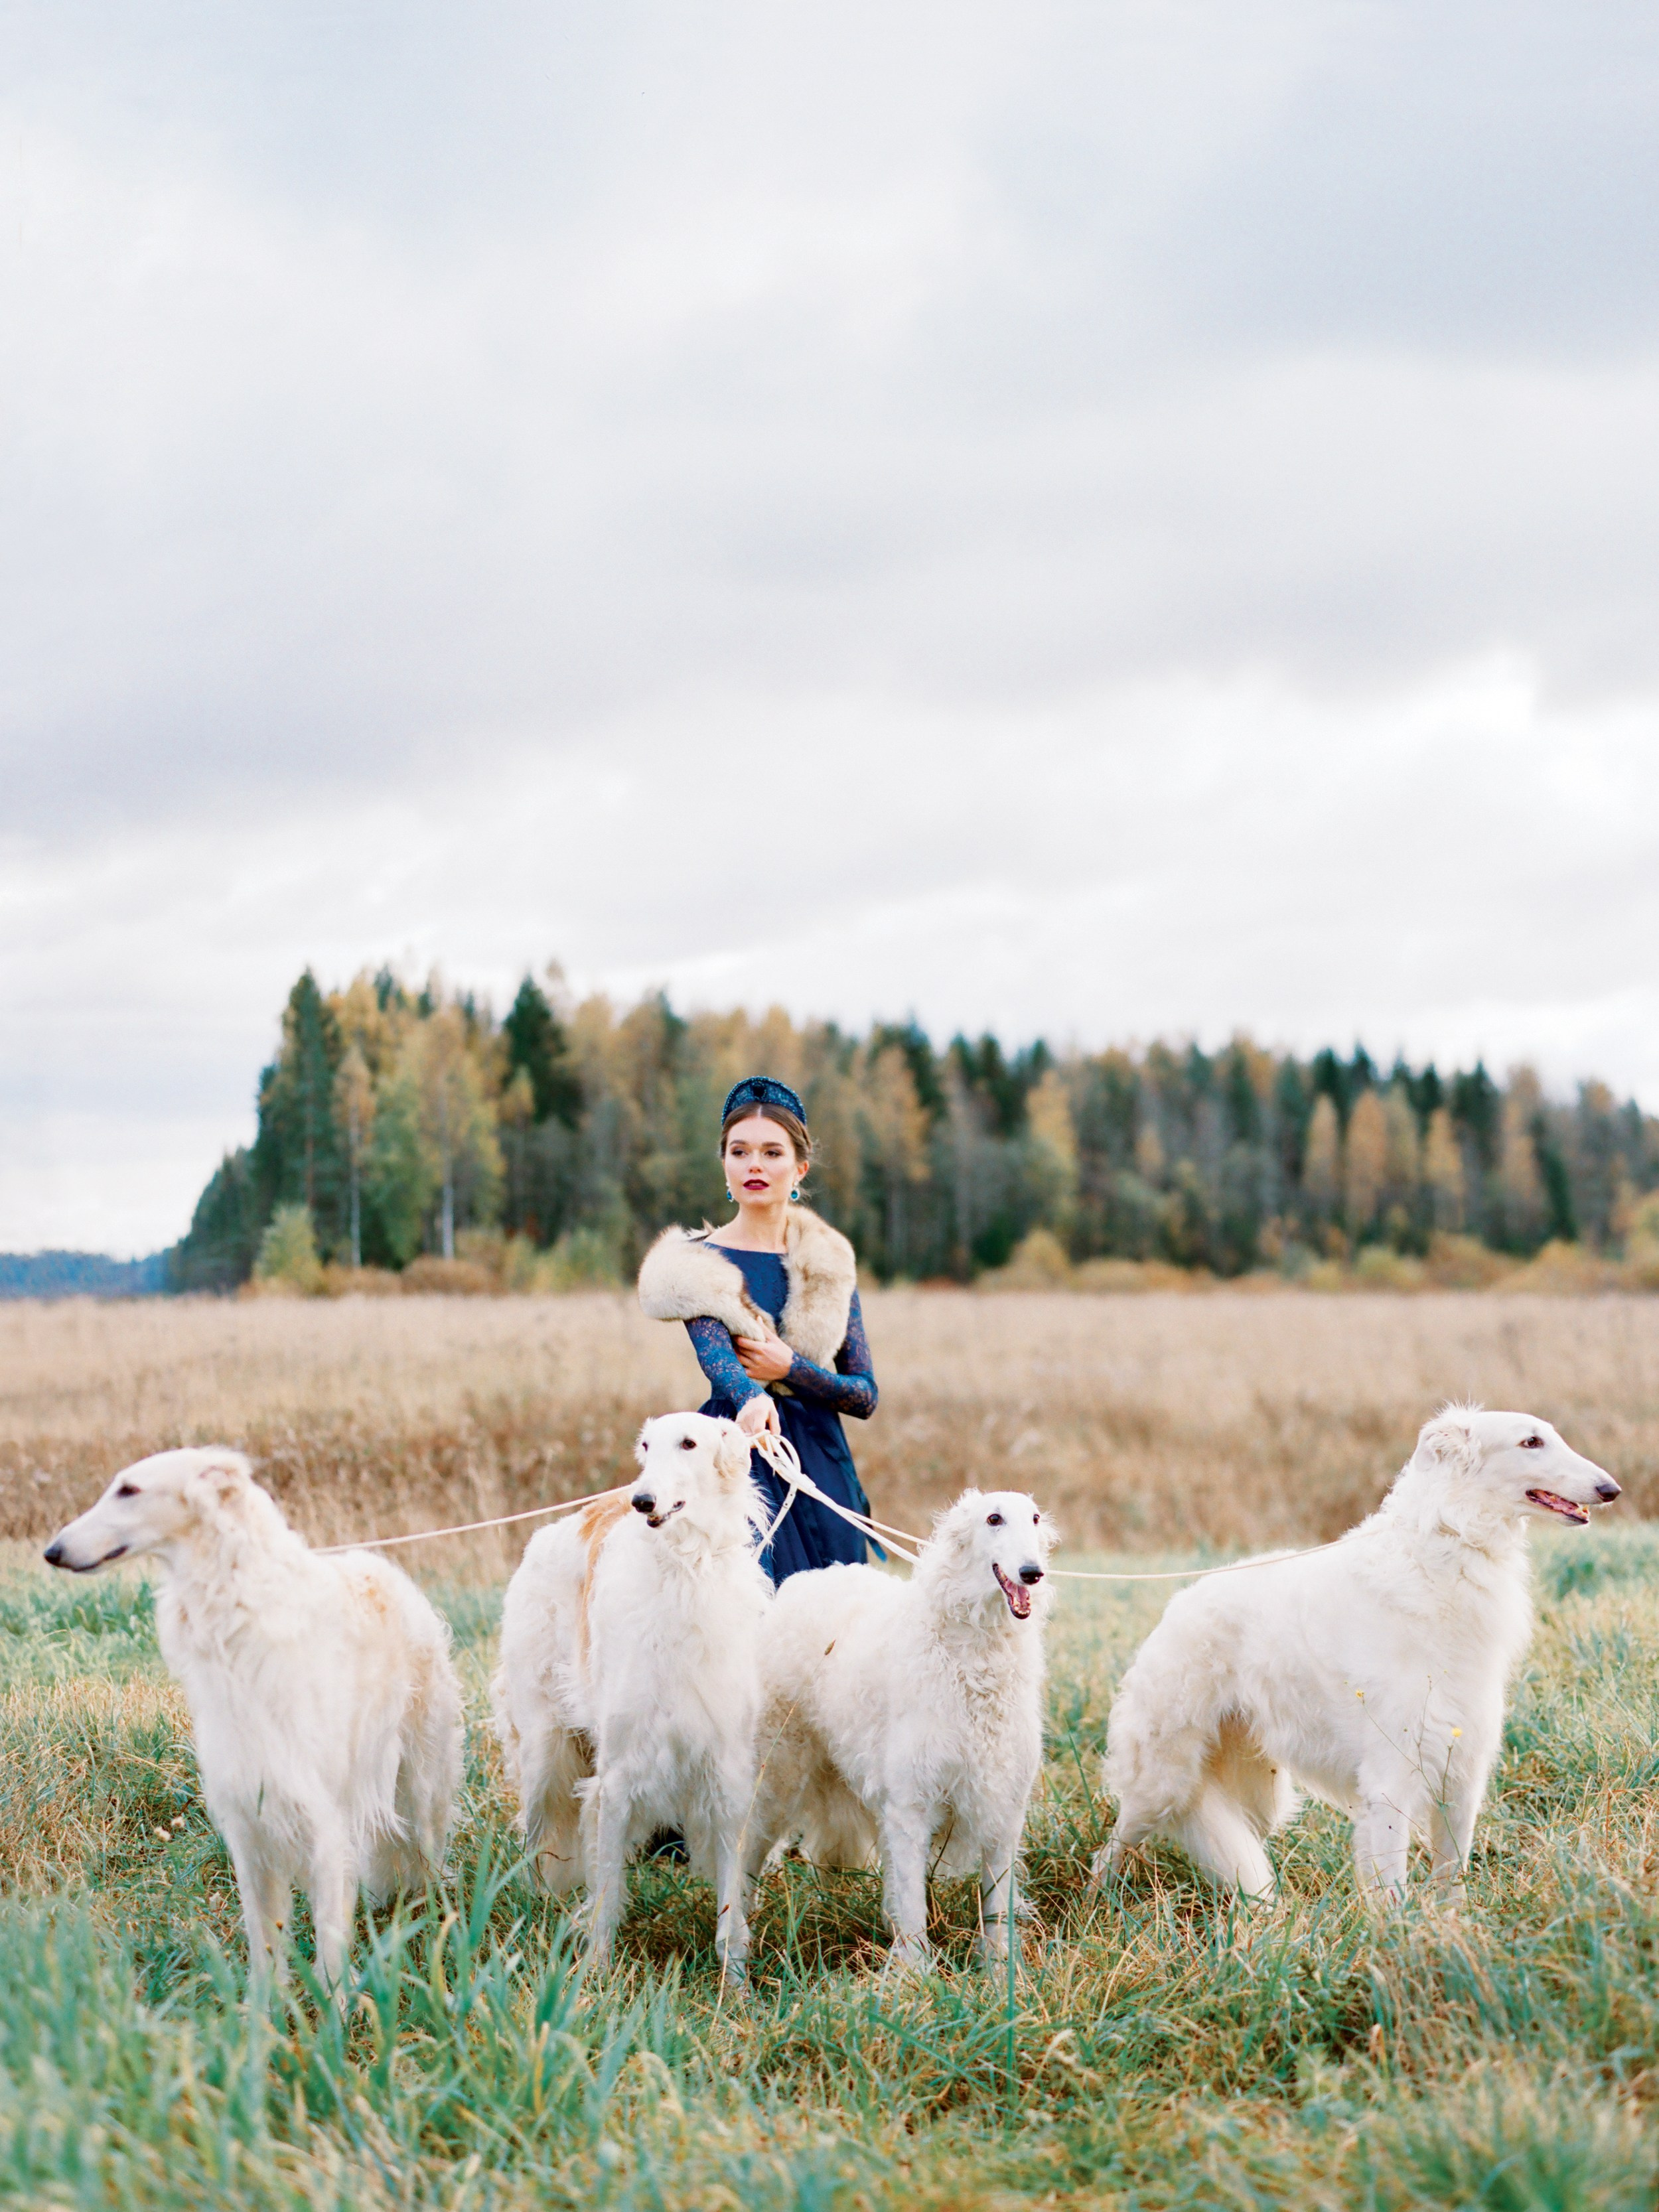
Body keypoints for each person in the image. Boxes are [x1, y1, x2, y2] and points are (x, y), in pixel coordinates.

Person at [636, 1075, 879, 1581]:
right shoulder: (699, 1264)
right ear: (723, 1164)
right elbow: (717, 1358)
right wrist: (751, 1396)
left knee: (837, 1617)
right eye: (740, 1151)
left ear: (799, 1168)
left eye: (772, 1153)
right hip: (732, 1456)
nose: (754, 1166)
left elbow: (864, 1395)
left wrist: (793, 1369)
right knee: (749, 1605)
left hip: (820, 1460)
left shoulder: (829, 1263)